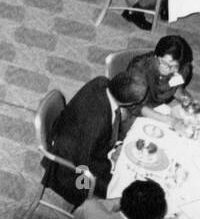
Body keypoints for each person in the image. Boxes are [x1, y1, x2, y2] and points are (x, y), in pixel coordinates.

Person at [42, 70, 149, 206]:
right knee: (127, 193)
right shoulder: (96, 122)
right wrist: (112, 165)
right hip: (73, 170)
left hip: (80, 141)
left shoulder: (102, 82)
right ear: (129, 104)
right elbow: (83, 162)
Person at [126, 35, 195, 118]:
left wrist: (184, 98)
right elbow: (134, 106)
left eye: (174, 66)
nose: (168, 69)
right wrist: (166, 119)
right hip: (139, 108)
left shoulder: (183, 69)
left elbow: (175, 86)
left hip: (160, 105)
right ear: (156, 56)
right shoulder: (139, 69)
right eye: (165, 63)